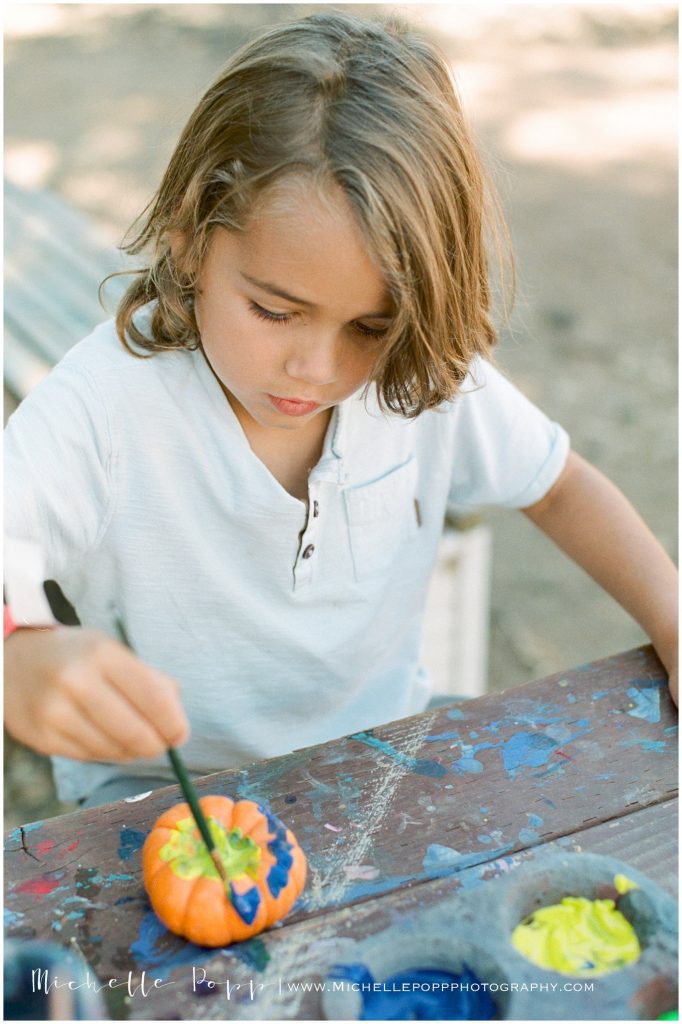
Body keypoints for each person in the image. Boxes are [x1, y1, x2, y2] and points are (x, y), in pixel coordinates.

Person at [4, 12, 677, 811]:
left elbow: (557, 485)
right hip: (158, 807)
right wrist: (22, 649)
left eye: (368, 326)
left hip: (378, 769)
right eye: (274, 311)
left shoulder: (416, 370)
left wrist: (671, 621)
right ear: (189, 241)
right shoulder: (104, 409)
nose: (317, 369)